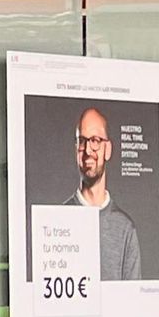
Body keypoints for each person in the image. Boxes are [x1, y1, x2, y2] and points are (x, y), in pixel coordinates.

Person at [65, 107, 142, 280]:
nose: (88, 150)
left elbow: (133, 302)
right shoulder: (58, 221)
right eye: (82, 141)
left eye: (95, 140)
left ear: (107, 150)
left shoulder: (125, 228)